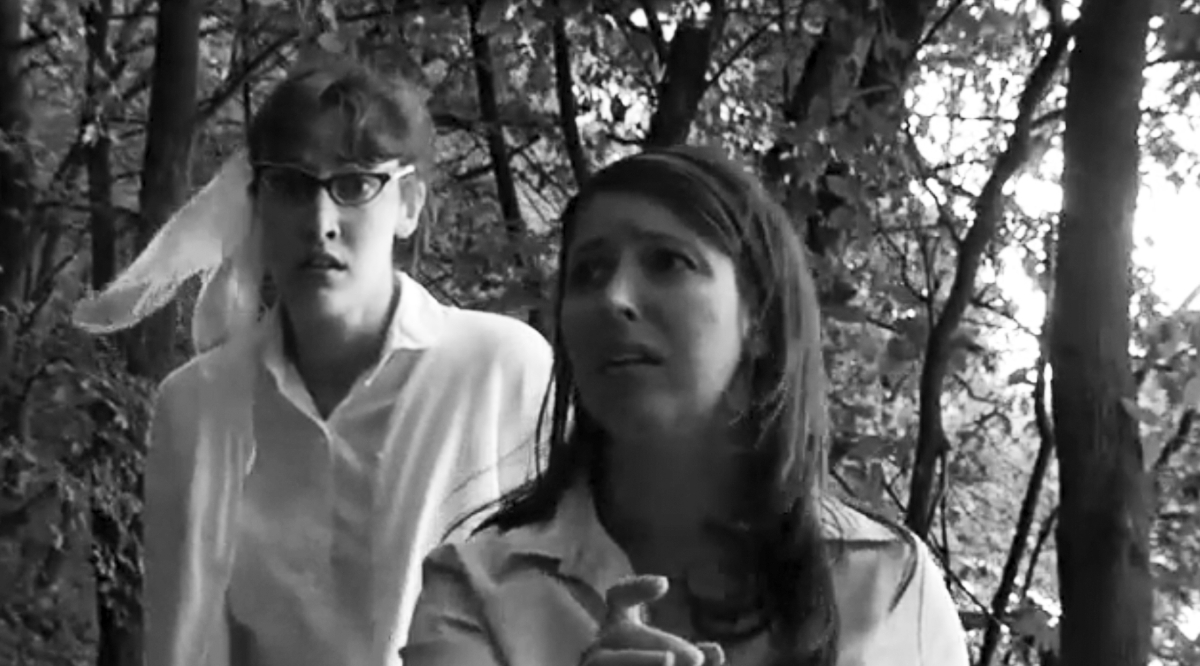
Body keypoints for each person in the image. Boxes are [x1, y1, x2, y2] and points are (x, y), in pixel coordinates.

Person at [401, 145, 969, 666]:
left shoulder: (886, 584)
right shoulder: (477, 589)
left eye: (668, 262)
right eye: (588, 272)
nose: (614, 298)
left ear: (759, 318)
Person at [73, 55, 553, 666]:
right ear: (259, 204)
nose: (320, 221)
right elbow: (180, 636)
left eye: (354, 185)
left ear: (408, 204)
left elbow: (559, 603)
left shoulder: (501, 372)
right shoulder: (194, 406)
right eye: (292, 186)